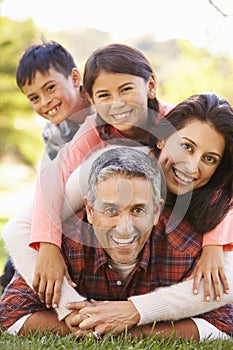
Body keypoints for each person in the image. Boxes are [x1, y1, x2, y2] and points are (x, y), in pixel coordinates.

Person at [0, 146, 233, 341]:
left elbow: (225, 322)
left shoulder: (184, 246)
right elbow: (10, 313)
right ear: (90, 211)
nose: (125, 226)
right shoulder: (65, 242)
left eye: (138, 210)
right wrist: (91, 326)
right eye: (110, 210)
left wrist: (132, 326)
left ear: (156, 211)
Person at [0, 39, 92, 290]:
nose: (45, 102)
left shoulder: (99, 108)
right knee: (31, 224)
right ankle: (14, 277)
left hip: (100, 192)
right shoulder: (53, 132)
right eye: (34, 98)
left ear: (75, 78)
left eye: (50, 88)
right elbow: (51, 184)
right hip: (69, 198)